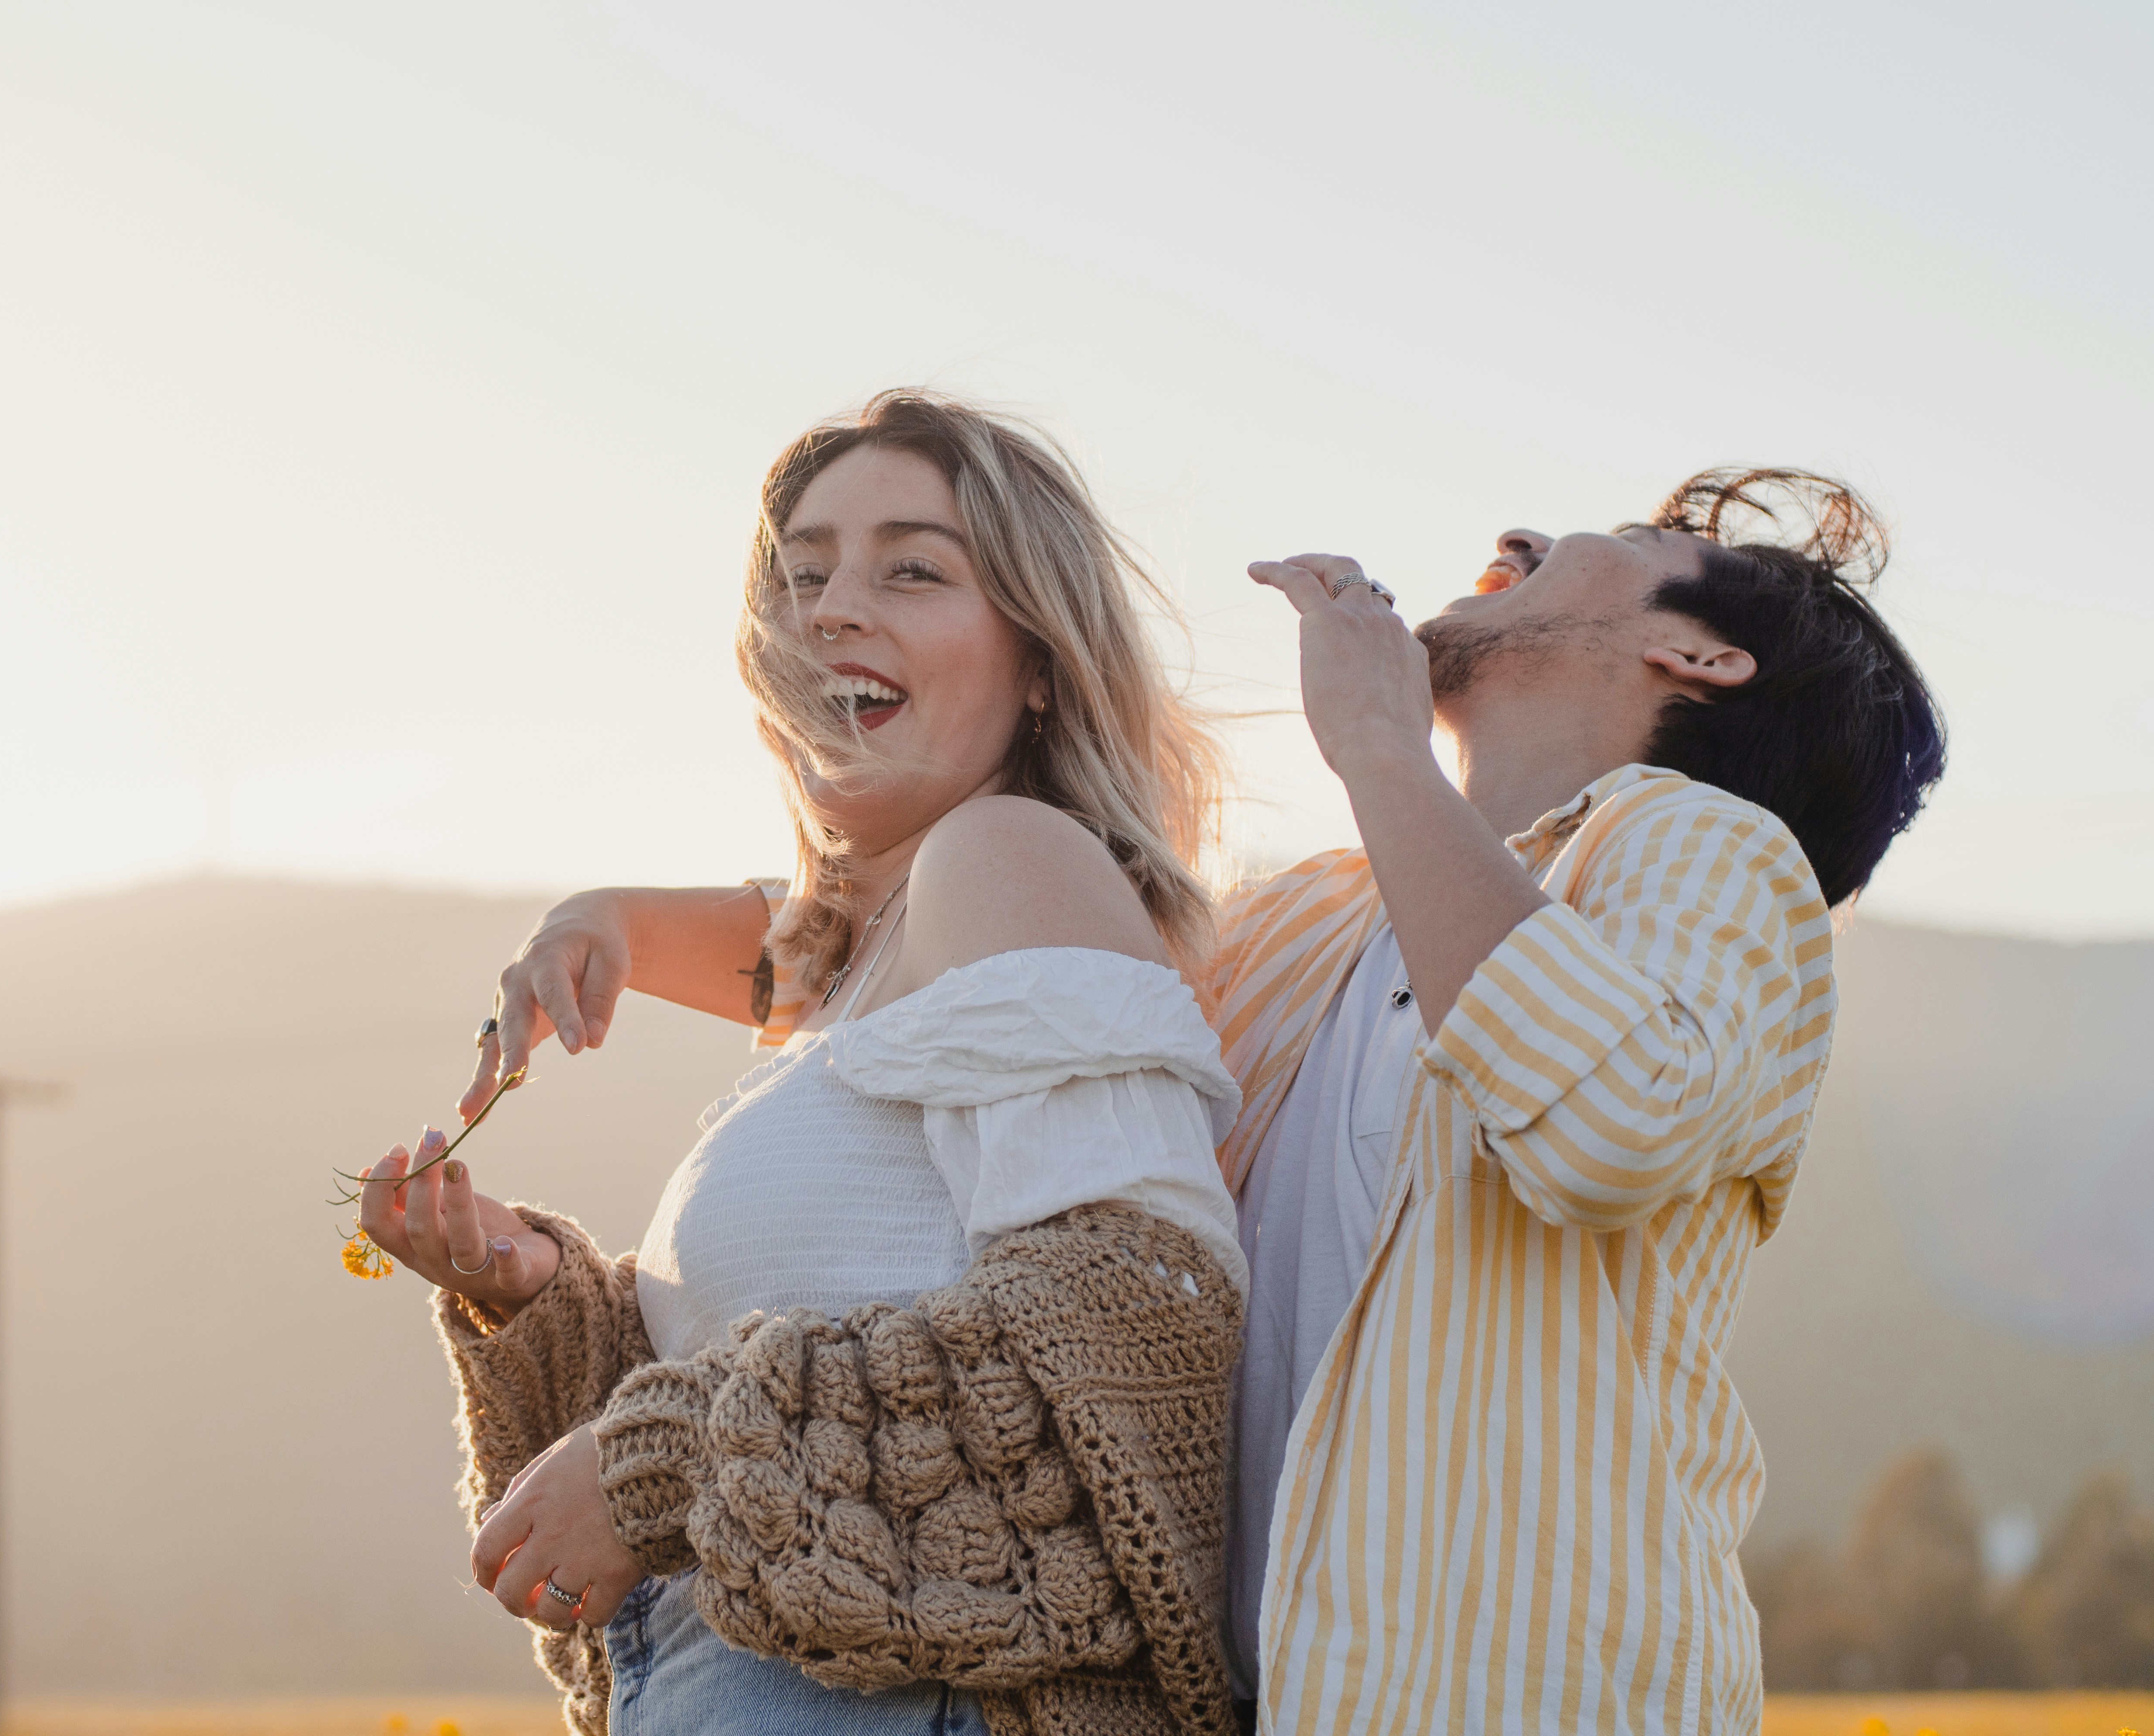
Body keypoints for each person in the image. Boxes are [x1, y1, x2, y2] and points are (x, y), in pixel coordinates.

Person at [477, 469, 1946, 1733]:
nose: (1517, 532)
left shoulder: (1698, 852)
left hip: (1533, 1683)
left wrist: (1376, 743)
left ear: (1699, 654)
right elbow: (973, 959)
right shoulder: (1314, 918)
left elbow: (1615, 1122)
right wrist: (618, 915)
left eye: (1607, 539)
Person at [356, 391, 1256, 1736]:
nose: (833, 608)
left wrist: (649, 1468)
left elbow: (1128, 1347)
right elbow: (802, 1406)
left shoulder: (1008, 861)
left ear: (1040, 661)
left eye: (914, 567)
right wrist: (544, 1298)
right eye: (803, 574)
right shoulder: (859, 977)